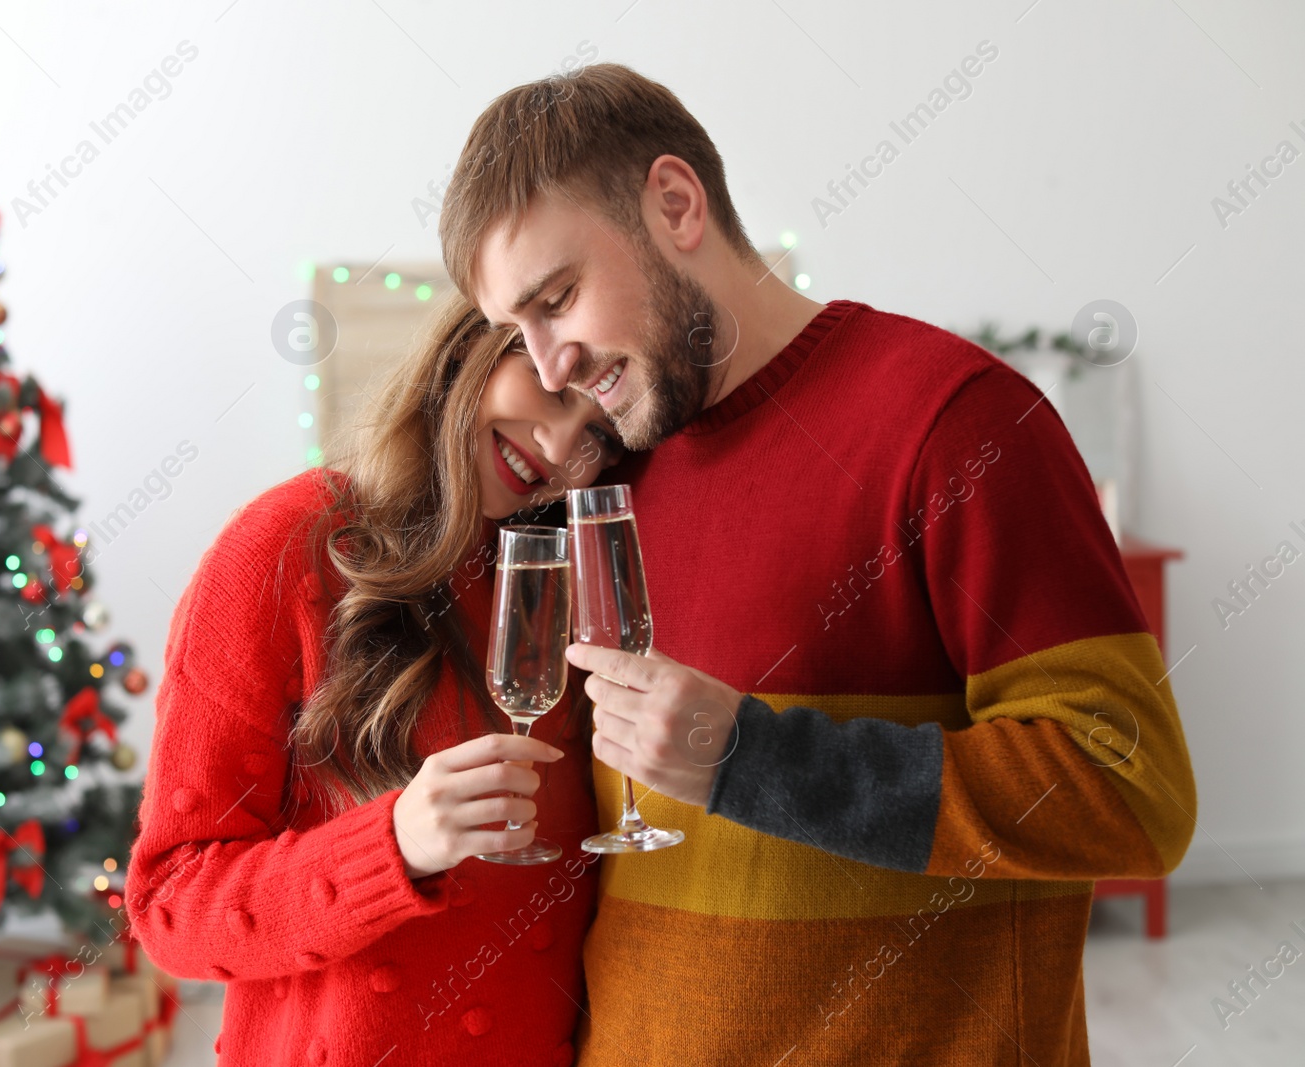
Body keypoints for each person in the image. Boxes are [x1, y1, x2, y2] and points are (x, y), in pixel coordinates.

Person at [438, 62, 1197, 1065]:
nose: (548, 365)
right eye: (516, 329)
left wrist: (751, 759)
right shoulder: (608, 470)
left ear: (674, 203)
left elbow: (1130, 790)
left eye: (559, 297)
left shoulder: (959, 422)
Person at [125, 294, 623, 1066]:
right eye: (553, 389)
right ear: (472, 347)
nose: (559, 445)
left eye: (597, 430)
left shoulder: (569, 579)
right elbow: (169, 906)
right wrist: (394, 843)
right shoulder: (288, 545)